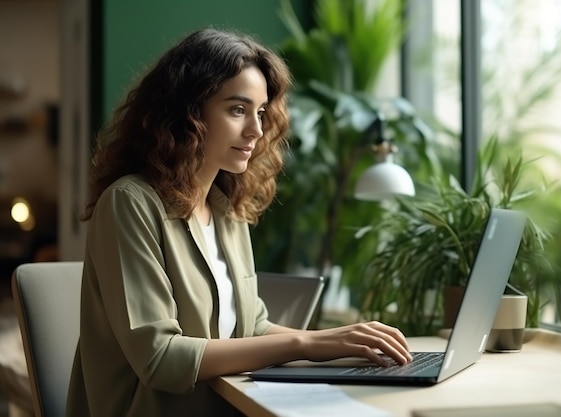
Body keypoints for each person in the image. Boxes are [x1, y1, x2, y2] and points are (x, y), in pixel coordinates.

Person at [66, 27, 412, 417]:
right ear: (187, 112)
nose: (256, 130)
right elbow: (160, 359)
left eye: (261, 112)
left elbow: (252, 327)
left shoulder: (226, 208)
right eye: (237, 109)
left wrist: (341, 344)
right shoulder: (129, 204)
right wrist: (306, 345)